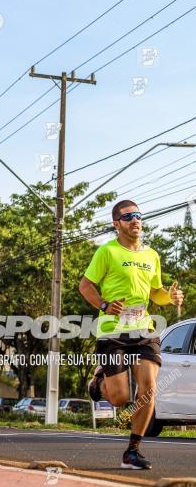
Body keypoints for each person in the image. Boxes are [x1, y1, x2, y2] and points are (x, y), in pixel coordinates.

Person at [79, 199, 184, 470]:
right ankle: (99, 380)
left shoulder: (151, 255)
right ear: (117, 224)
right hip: (113, 332)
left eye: (138, 216)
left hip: (144, 330)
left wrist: (170, 298)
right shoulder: (107, 252)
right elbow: (85, 285)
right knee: (120, 399)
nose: (135, 220)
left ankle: (132, 451)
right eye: (128, 217)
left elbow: (155, 293)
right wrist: (103, 304)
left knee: (148, 390)